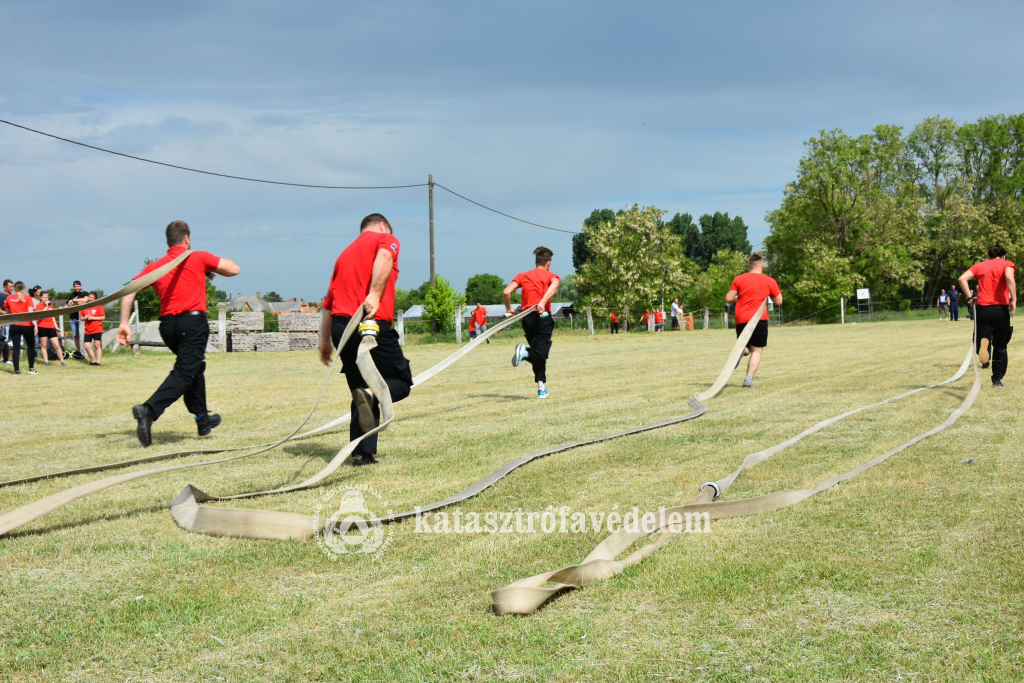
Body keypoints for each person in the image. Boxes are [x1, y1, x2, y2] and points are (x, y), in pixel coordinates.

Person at [118, 220, 240, 447]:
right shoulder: (197, 256)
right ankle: (149, 410)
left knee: (193, 368)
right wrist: (209, 266)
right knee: (185, 371)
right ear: (186, 239)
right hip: (192, 323)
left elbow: (128, 292)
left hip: (168, 328)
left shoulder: (156, 266)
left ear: (168, 242)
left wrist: (124, 323)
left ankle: (203, 419)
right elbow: (234, 269)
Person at [318, 213, 412, 466]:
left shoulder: (344, 255)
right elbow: (386, 256)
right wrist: (374, 294)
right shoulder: (386, 239)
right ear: (382, 226)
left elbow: (328, 303)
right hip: (370, 322)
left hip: (341, 327)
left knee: (360, 389)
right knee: (400, 382)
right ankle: (370, 394)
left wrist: (325, 342)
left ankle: (363, 454)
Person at [958, 244, 1016, 387]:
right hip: (1001, 309)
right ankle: (997, 379)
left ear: (989, 256)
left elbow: (962, 279)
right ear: (1003, 256)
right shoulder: (1007, 264)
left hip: (983, 309)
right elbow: (1009, 279)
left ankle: (984, 349)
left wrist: (970, 297)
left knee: (982, 337)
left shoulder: (980, 266)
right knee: (1001, 345)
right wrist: (1013, 300)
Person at [505, 247, 560, 399]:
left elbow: (506, 292)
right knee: (540, 353)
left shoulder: (523, 275)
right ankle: (525, 353)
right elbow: (555, 284)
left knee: (538, 354)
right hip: (542, 317)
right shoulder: (551, 275)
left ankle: (541, 388)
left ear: (536, 261)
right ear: (548, 263)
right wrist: (543, 302)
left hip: (527, 319)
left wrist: (509, 309)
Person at [726, 253, 783, 388]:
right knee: (756, 350)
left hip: (742, 318)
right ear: (762, 266)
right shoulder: (770, 280)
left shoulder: (739, 279)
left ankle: (742, 351)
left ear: (749, 265)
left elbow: (729, 298)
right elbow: (779, 301)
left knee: (745, 347)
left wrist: (738, 298)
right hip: (759, 318)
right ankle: (748, 379)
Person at [3, 282, 39, 376]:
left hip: (14, 326)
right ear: (24, 288)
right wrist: (35, 325)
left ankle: (17, 371)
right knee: (31, 346)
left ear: (15, 288)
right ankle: (31, 369)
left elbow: (7, 314)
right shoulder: (28, 298)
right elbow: (31, 313)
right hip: (27, 325)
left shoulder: (9, 298)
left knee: (16, 348)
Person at [35, 292, 66, 366]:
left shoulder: (50, 306)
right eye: (44, 297)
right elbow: (40, 314)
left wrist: (56, 327)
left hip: (51, 327)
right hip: (42, 327)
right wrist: (46, 306)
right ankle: (46, 362)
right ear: (40, 298)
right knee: (44, 345)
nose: (46, 299)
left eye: (47, 297)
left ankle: (62, 361)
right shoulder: (38, 306)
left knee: (56, 345)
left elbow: (52, 317)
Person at [81, 293, 106, 365]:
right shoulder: (84, 306)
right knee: (87, 346)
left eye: (92, 298)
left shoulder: (99, 306)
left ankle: (98, 362)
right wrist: (84, 318)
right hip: (88, 330)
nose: (90, 299)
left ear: (95, 299)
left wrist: (93, 318)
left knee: (97, 345)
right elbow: (81, 317)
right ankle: (93, 360)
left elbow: (103, 317)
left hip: (97, 329)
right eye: (90, 297)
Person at [67, 280, 89, 359]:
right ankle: (79, 352)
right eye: (75, 286)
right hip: (73, 318)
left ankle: (85, 352)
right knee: (76, 336)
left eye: (78, 286)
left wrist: (74, 300)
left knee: (82, 335)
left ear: (81, 286)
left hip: (82, 318)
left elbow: (85, 300)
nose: (76, 288)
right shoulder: (72, 295)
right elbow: (69, 304)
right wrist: (77, 302)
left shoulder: (85, 293)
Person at [0, 279, 11, 364]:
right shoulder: (2, 297)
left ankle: (8, 358)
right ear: (5, 287)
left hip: (11, 321)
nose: (12, 288)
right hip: (4, 321)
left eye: (12, 286)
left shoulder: (12, 297)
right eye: (10, 286)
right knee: (3, 339)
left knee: (9, 341)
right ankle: (3, 358)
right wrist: (8, 314)